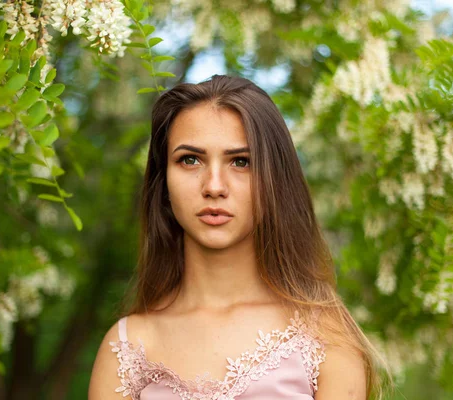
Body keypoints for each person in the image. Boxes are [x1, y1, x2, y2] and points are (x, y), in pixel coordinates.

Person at [89, 75, 390, 399]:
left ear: (275, 179)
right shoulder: (125, 348)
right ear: (163, 184)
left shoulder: (326, 338)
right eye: (190, 160)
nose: (214, 186)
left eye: (241, 162)